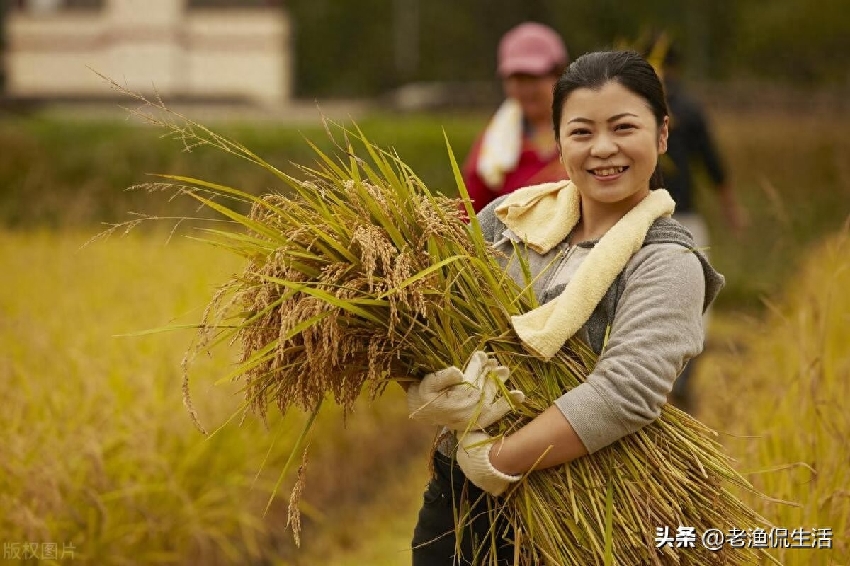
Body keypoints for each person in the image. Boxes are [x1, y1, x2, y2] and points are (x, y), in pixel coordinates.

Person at [407, 50, 725, 564]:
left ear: (662, 135)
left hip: (581, 508)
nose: (603, 149)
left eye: (624, 127)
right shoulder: (508, 219)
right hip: (457, 497)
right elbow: (432, 309)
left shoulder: (667, 261)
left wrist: (495, 460)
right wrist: (426, 384)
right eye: (581, 132)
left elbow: (625, 392)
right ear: (558, 141)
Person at [653, 41, 748, 413]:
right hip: (684, 215)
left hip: (639, 215)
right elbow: (712, 162)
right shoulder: (688, 107)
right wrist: (731, 209)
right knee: (696, 301)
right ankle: (680, 380)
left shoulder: (632, 103)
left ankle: (666, 382)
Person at [462, 22, 570, 213]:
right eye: (518, 79)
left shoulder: (589, 131)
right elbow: (467, 211)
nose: (527, 89)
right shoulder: (493, 145)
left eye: (535, 78)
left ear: (559, 75)